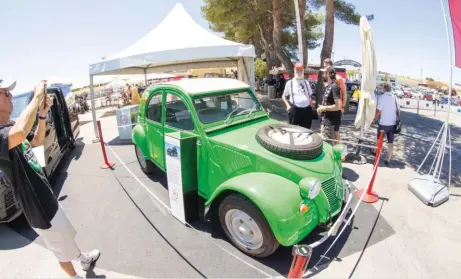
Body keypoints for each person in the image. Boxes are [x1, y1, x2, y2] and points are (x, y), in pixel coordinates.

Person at [0, 80, 100, 278]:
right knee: (61, 250)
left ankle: (83, 259)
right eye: (5, 93)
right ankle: (75, 276)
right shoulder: (5, 133)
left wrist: (42, 114)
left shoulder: (11, 126)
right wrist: (37, 97)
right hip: (38, 207)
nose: (10, 96)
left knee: (66, 237)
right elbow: (19, 134)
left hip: (46, 197)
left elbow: (35, 142)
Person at [373, 83, 398, 167]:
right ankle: (388, 159)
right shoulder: (395, 97)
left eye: (382, 88)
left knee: (379, 141)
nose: (381, 90)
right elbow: (398, 111)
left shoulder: (382, 97)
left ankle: (377, 156)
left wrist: (374, 119)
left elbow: (378, 111)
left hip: (383, 123)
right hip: (393, 123)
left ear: (384, 89)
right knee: (391, 142)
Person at [282, 63, 314, 129]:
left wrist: (310, 106)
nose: (299, 71)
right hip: (295, 110)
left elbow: (310, 95)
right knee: (293, 130)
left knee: (306, 131)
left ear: (303, 71)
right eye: (297, 69)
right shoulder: (290, 83)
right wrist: (288, 106)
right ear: (294, 70)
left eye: (301, 70)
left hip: (306, 110)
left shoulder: (306, 82)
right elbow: (283, 96)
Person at [317, 67, 342, 141]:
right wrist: (322, 107)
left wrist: (324, 108)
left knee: (327, 144)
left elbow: (338, 106)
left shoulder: (334, 87)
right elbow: (330, 102)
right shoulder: (329, 86)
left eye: (324, 72)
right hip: (326, 120)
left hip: (330, 122)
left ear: (328, 74)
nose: (323, 74)